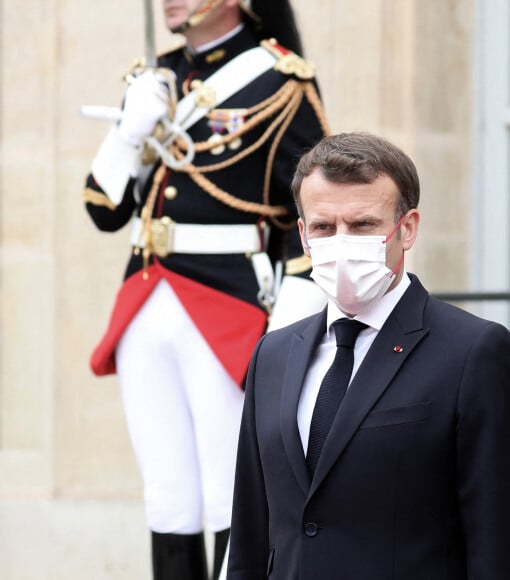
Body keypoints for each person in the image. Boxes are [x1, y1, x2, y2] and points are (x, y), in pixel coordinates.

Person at [82, 1, 329, 578]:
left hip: (231, 306)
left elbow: (316, 207)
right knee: (166, 494)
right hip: (147, 298)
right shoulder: (156, 78)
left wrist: (292, 315)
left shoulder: (280, 79)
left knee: (230, 493)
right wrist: (128, 133)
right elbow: (103, 209)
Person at [227, 131, 510, 580]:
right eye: (323, 227)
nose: (340, 242)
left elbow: (499, 549)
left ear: (407, 228)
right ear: (302, 233)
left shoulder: (475, 353)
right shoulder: (273, 354)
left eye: (362, 225)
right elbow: (252, 536)